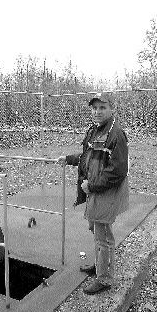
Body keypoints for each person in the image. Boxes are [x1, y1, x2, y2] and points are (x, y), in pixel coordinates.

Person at [58, 92, 129, 295]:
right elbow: (88, 156)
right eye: (94, 108)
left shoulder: (116, 134)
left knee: (103, 235)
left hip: (104, 190)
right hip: (94, 188)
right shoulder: (95, 131)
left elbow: (117, 171)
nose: (97, 112)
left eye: (102, 108)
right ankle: (100, 265)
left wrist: (93, 186)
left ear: (111, 109)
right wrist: (69, 158)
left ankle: (105, 278)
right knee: (95, 229)